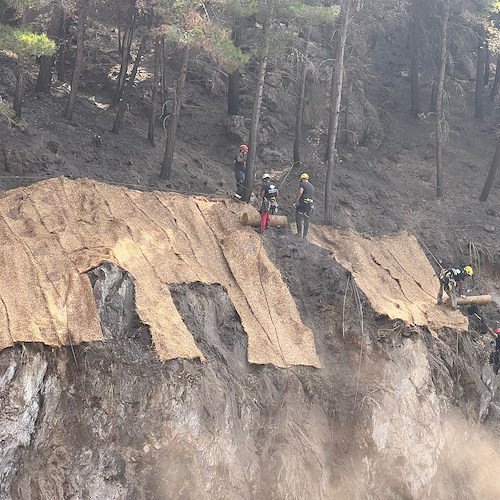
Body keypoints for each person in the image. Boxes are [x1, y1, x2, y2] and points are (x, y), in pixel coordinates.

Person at [293, 173, 314, 239]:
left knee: (298, 216)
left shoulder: (302, 184)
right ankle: (305, 236)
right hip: (309, 203)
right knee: (306, 218)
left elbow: (300, 192)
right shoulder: (311, 186)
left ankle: (299, 233)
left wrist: (296, 200)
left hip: (303, 202)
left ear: (302, 179)